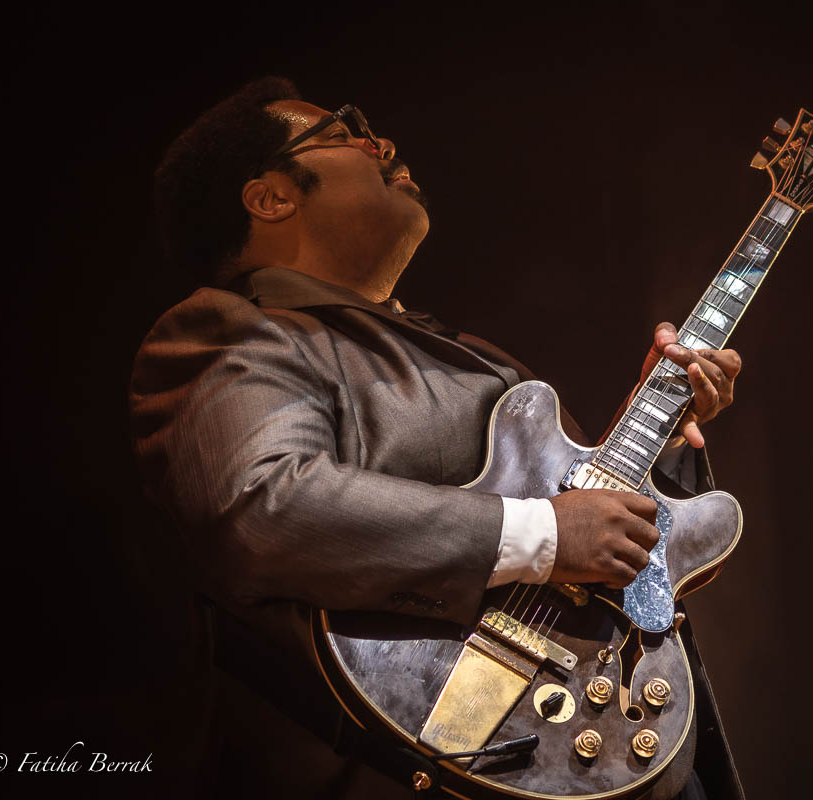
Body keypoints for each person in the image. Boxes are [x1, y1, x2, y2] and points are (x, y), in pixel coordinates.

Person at [131, 76, 745, 799]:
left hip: (609, 741)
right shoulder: (230, 328)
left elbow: (588, 539)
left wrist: (661, 428)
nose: (382, 142)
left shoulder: (476, 353)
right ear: (270, 198)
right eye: (343, 131)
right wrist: (546, 533)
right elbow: (263, 504)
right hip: (402, 761)